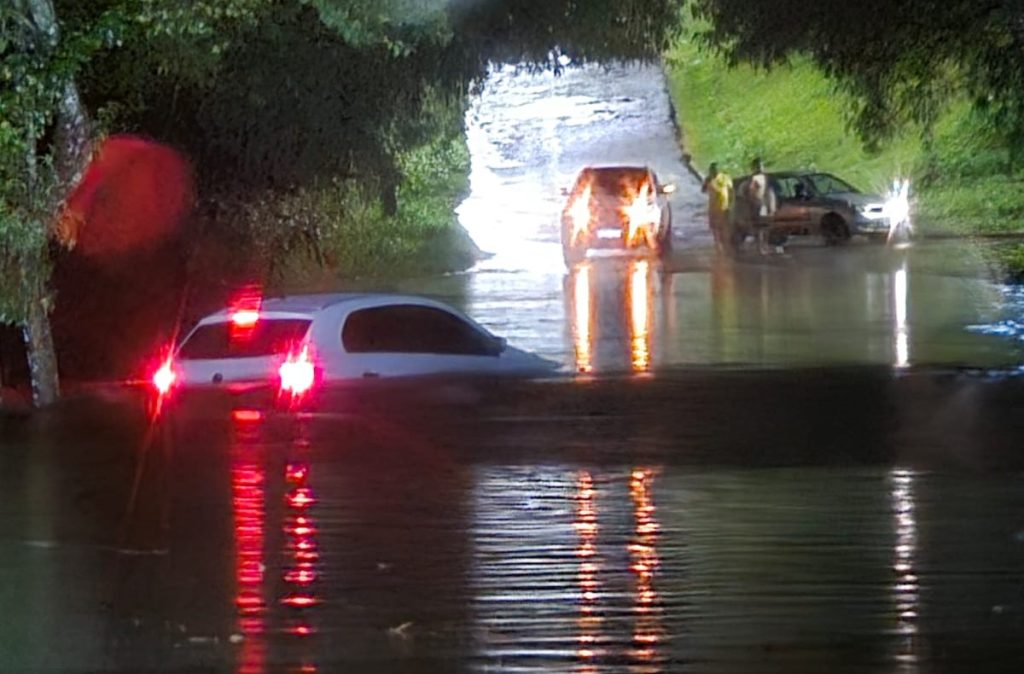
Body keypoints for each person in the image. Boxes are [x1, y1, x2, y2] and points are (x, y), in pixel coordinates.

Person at [745, 157, 777, 254]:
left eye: (761, 165)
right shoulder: (754, 178)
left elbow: (769, 192)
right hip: (758, 205)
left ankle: (764, 245)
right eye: (758, 166)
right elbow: (751, 192)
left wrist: (772, 205)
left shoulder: (765, 177)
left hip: (764, 204)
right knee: (760, 227)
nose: (760, 167)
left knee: (766, 227)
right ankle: (760, 247)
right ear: (754, 167)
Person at [701, 162, 733, 255]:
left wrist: (731, 203)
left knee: (724, 227)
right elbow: (703, 190)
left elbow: (731, 190)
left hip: (724, 207)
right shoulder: (709, 179)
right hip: (713, 208)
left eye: (715, 170)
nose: (713, 172)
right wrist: (707, 181)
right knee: (715, 228)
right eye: (712, 171)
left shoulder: (725, 178)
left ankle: (724, 245)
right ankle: (718, 246)